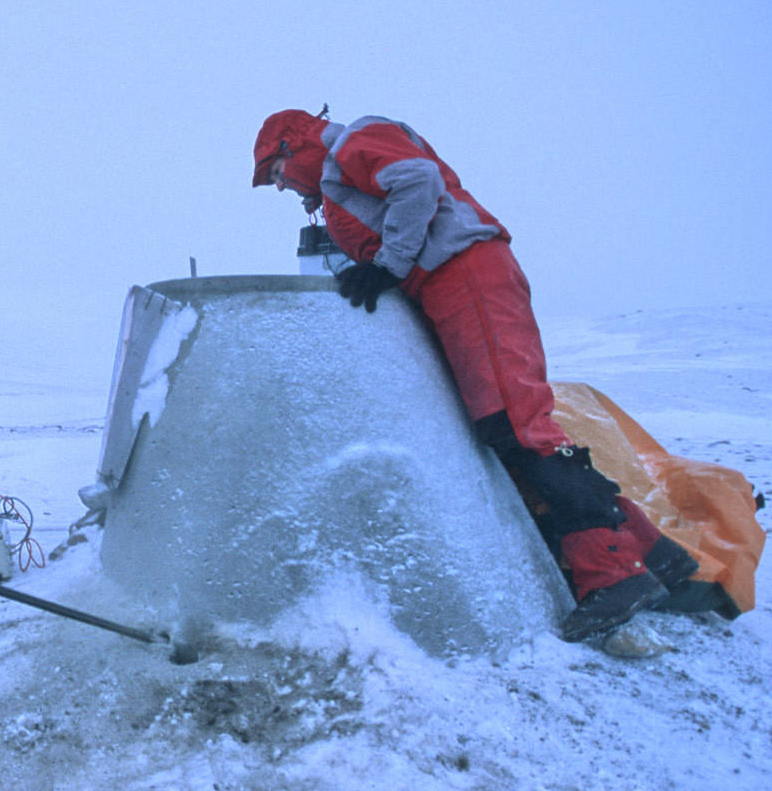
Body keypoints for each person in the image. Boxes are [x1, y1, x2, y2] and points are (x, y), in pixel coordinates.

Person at [251, 108, 697, 644]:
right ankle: (651, 552)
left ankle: (613, 576)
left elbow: (418, 181)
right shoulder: (339, 176)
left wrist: (388, 265)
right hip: (452, 283)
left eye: (275, 174)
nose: (280, 188)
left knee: (519, 427)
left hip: (466, 276)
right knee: (503, 428)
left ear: (290, 146)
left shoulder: (352, 145)